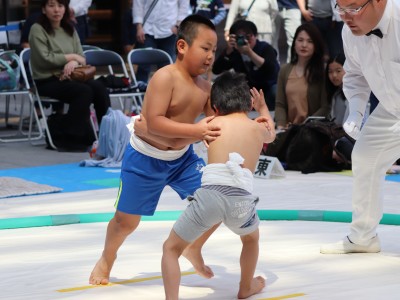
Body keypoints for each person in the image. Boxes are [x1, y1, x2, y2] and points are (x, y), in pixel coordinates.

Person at [89, 14, 221, 285]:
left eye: (214, 51)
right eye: (205, 48)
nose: (210, 56)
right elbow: (156, 123)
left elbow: (218, 124)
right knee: (126, 222)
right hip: (145, 159)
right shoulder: (165, 78)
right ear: (183, 46)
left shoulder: (206, 88)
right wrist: (196, 132)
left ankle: (192, 246)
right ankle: (107, 256)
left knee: (219, 202)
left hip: (183, 159)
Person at [161, 71, 276, 300]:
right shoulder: (257, 127)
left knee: (170, 249)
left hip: (210, 196)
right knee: (251, 240)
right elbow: (271, 135)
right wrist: (262, 110)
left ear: (214, 107)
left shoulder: (211, 123)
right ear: (249, 103)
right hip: (241, 201)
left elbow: (194, 128)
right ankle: (245, 286)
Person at [320, 0, 400, 254]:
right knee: (365, 157)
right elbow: (355, 76)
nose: (345, 17)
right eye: (339, 9)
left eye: (353, 8)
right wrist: (356, 110)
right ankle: (363, 237)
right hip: (391, 107)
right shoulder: (349, 32)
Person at [29, 0, 110, 150]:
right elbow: (44, 59)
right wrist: (71, 57)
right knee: (83, 91)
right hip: (47, 79)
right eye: (51, 5)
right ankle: (71, 137)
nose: (56, 10)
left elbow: (81, 58)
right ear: (43, 9)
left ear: (65, 9)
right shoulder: (37, 29)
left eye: (60, 6)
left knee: (99, 88)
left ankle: (107, 135)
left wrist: (73, 63)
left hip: (71, 76)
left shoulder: (69, 28)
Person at [213, 20, 280, 110]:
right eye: (239, 37)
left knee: (275, 91)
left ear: (255, 36)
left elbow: (271, 69)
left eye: (247, 36)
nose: (244, 40)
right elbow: (216, 70)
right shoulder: (234, 51)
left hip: (268, 87)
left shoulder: (265, 48)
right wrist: (228, 51)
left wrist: (250, 53)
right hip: (247, 91)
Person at [274, 22, 330, 130]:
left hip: (312, 130)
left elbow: (325, 107)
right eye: (300, 40)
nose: (304, 45)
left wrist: (307, 124)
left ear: (316, 46)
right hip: (288, 130)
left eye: (309, 41)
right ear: (294, 43)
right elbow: (280, 104)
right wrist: (281, 125)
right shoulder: (285, 70)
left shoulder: (322, 72)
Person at [133, 0, 189, 82]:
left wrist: (178, 25)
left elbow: (184, 5)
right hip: (147, 30)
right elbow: (138, 4)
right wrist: (139, 27)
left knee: (167, 68)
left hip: (170, 31)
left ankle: (165, 93)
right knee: (144, 65)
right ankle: (140, 92)